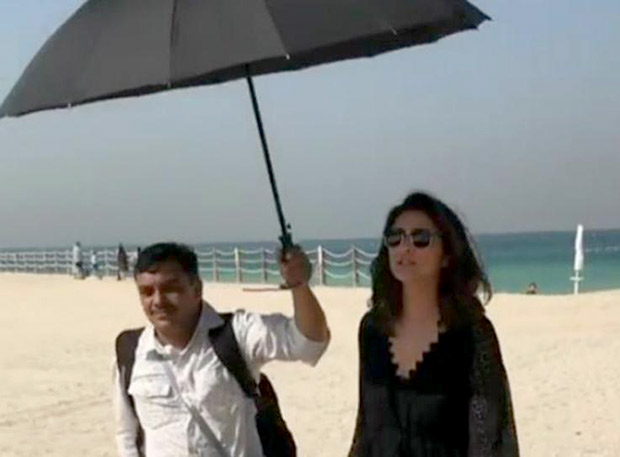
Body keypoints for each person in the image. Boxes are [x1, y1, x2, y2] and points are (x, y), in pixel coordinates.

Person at [113, 242, 330, 457]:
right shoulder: (131, 352)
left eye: (170, 289)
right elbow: (127, 435)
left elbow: (308, 343)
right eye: (147, 292)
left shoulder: (237, 334)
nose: (158, 301)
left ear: (197, 289)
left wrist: (299, 286)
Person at [348, 192, 518, 457]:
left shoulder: (473, 333)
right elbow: (366, 429)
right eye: (395, 237)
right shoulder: (372, 329)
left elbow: (492, 438)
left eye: (420, 239)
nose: (405, 247)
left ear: (447, 255)